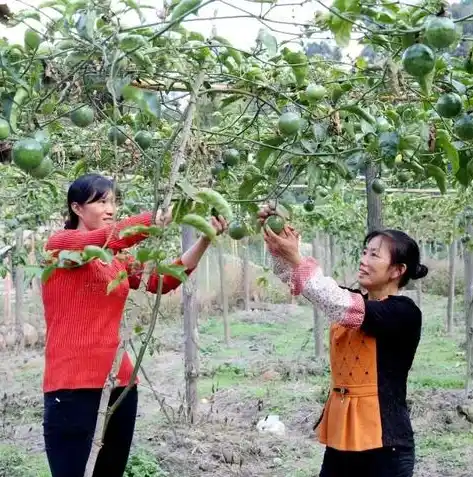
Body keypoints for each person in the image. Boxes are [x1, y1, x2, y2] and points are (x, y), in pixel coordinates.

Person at [41, 173, 228, 477]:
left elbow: (162, 280)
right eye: (101, 201)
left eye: (113, 201)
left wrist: (205, 237)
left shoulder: (116, 259)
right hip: (72, 387)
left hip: (120, 383)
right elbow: (105, 238)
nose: (111, 209)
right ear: (76, 208)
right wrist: (160, 217)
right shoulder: (60, 247)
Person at [258, 205, 428, 477]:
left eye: (374, 255)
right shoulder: (353, 301)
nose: (364, 259)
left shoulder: (403, 312)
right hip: (342, 439)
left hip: (385, 446)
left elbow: (336, 301)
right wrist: (277, 239)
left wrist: (298, 257)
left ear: (397, 270)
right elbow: (298, 280)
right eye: (364, 252)